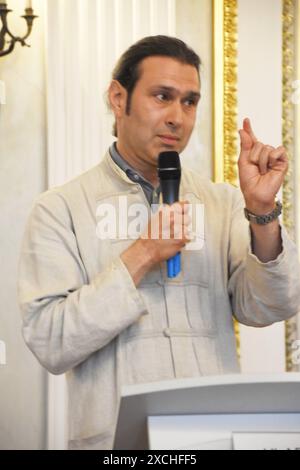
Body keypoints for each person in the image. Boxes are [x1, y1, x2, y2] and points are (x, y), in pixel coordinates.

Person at [18, 35, 300, 450]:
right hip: (117, 444)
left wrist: (261, 212)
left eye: (189, 101)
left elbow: (271, 307)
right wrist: (142, 254)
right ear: (119, 98)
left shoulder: (222, 203)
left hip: (214, 437)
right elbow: (50, 341)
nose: (177, 117)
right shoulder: (60, 208)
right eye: (162, 96)